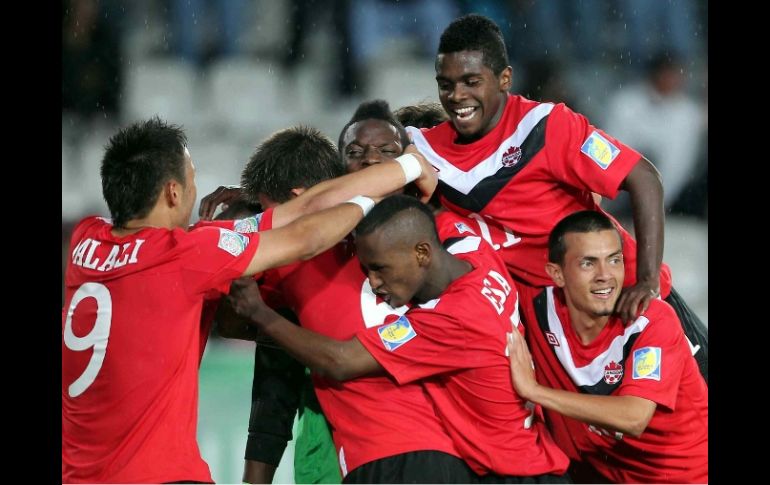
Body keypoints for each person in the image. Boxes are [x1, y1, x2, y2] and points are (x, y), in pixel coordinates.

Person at [62, 117, 437, 483]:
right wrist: (393, 181)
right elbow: (305, 230)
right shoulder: (187, 255)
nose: (195, 192)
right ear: (174, 192)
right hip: (156, 475)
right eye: (192, 180)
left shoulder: (85, 238)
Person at [405, 13, 707, 381]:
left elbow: (643, 177)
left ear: (505, 79)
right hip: (552, 323)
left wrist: (646, 281)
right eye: (446, 85)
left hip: (621, 299)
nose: (457, 97)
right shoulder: (427, 150)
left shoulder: (548, 126)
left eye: (471, 82)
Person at [227, 194, 571, 482]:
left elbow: (341, 361)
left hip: (515, 473)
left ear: (422, 253)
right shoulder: (477, 255)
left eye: (380, 268)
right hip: (530, 456)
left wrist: (261, 313)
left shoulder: (452, 321)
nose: (374, 283)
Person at [224, 112, 475, 483]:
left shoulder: (441, 244)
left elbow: (334, 361)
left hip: (417, 452)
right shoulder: (441, 247)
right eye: (357, 154)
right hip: (370, 451)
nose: (372, 161)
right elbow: (263, 357)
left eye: (386, 153)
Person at [507, 210, 708, 483]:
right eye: (588, 263)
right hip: (602, 474)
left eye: (614, 260)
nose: (605, 275)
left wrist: (534, 391)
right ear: (557, 274)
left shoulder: (651, 321)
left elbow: (634, 418)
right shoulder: (538, 306)